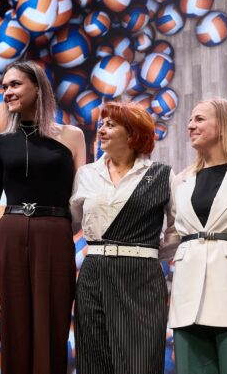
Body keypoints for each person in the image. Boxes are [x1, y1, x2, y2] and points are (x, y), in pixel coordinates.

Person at [0, 60, 86, 374]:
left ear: (37, 87)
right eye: (4, 87)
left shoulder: (72, 136)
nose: (7, 92)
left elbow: (82, 199)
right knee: (14, 334)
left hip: (55, 237)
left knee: (52, 331)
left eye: (15, 84)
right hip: (9, 239)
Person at [70, 101, 175, 374]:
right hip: (94, 276)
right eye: (101, 124)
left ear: (132, 134)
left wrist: (148, 252)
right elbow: (72, 221)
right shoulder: (86, 175)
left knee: (140, 363)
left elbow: (177, 230)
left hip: (141, 277)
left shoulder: (161, 175)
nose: (101, 130)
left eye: (110, 125)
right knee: (94, 363)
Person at [166, 99, 227, 374]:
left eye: (199, 119)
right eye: (190, 120)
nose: (190, 125)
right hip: (188, 296)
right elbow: (174, 231)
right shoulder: (181, 180)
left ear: (223, 125)